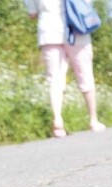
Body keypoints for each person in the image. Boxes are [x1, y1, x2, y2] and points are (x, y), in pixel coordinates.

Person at [24, 0, 106, 137]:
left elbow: (32, 14)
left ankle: (57, 121)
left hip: (49, 32)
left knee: (54, 78)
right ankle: (93, 120)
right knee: (85, 74)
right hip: (76, 30)